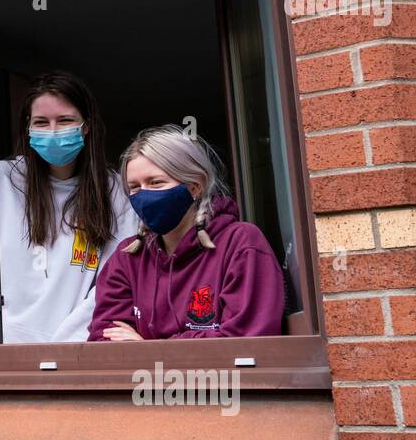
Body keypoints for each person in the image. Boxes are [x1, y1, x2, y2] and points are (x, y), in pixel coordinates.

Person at [90, 125, 285, 340]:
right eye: (134, 187)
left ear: (194, 186)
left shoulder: (241, 244)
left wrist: (148, 348)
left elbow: (246, 341)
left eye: (155, 183)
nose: (143, 195)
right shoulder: (128, 257)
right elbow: (105, 339)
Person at [0, 72, 136, 342]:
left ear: (86, 126)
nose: (53, 131)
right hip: (2, 350)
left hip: (76, 349)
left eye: (65, 120)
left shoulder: (115, 191)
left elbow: (114, 280)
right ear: (28, 128)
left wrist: (66, 346)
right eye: (41, 122)